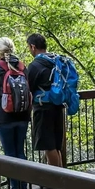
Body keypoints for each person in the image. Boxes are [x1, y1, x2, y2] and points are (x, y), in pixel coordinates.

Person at [0, 37, 30, 189]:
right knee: (20, 152)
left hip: (5, 116)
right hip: (23, 115)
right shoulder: (22, 66)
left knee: (10, 153)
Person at [25, 33, 66, 167]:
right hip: (58, 105)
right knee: (55, 145)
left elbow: (28, 87)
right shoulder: (56, 60)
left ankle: (55, 180)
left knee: (48, 146)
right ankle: (61, 177)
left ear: (33, 47)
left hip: (43, 108)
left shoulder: (35, 65)